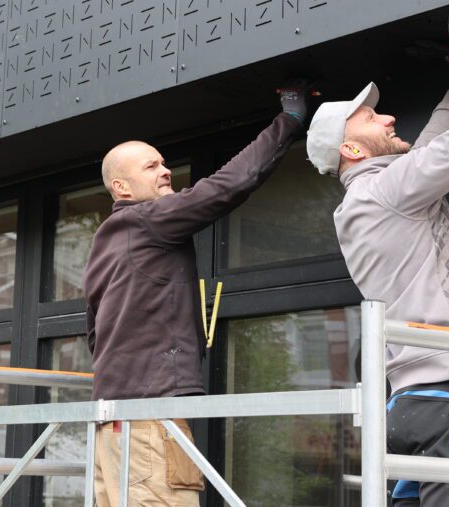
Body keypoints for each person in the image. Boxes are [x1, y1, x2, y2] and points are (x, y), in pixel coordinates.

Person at [305, 1, 449, 507]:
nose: (388, 116)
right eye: (370, 118)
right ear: (351, 151)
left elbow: (432, 146)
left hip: (413, 404)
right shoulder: (388, 191)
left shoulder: (367, 200)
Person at [83, 84, 312, 507]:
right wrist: (290, 121)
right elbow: (228, 185)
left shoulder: (104, 241)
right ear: (123, 187)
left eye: (164, 162)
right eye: (151, 166)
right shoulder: (147, 220)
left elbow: (95, 334)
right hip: (149, 421)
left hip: (114, 423)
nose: (166, 171)